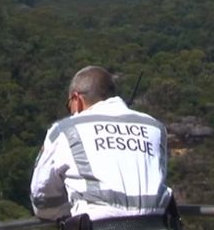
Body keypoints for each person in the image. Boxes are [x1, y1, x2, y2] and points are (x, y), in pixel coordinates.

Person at [30, 66, 179, 230]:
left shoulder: (64, 130)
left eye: (69, 106)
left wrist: (73, 206)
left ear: (76, 99)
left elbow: (42, 200)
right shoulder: (154, 126)